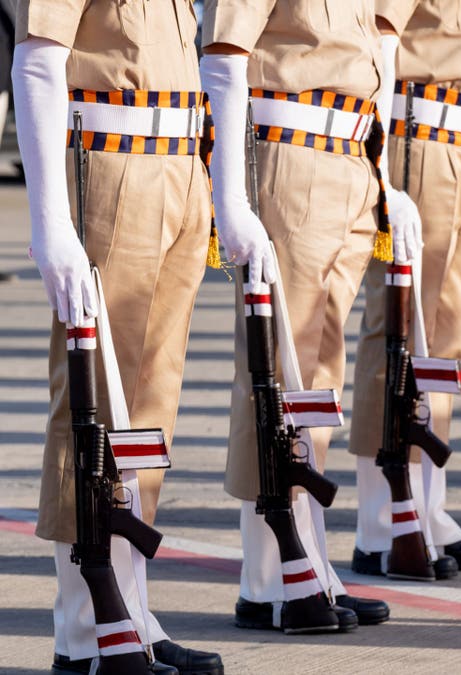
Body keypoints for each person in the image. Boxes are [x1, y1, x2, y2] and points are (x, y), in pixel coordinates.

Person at [14, 0, 223, 671]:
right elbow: (39, 59)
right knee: (93, 403)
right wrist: (48, 220)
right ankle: (84, 625)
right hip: (113, 165)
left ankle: (128, 605)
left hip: (180, 165)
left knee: (147, 411)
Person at [202, 0, 399, 632]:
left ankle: (307, 556)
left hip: (349, 153)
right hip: (290, 154)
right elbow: (227, 54)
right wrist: (228, 192)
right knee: (276, 370)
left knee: (318, 379)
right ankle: (268, 575)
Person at [349, 2, 461, 580]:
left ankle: (427, 506)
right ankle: (380, 519)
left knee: (444, 347)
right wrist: (385, 170)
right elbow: (383, 40)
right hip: (418, 137)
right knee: (397, 335)